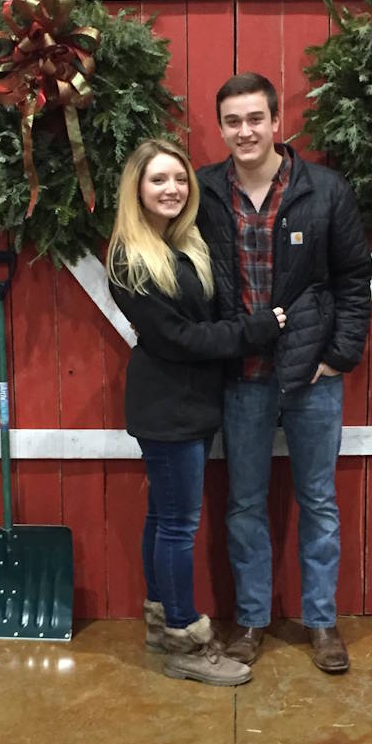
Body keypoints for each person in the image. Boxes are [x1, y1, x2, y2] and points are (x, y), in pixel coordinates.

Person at [196, 73, 372, 673]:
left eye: (254, 119)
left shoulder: (324, 190)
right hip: (241, 374)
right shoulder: (203, 194)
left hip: (312, 377)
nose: (244, 131)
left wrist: (339, 355)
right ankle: (250, 621)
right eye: (232, 121)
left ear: (277, 122)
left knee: (318, 501)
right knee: (244, 504)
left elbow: (354, 280)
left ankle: (322, 622)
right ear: (220, 128)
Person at [106, 138, 287, 686]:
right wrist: (255, 331)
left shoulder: (183, 246)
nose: (172, 189)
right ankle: (185, 637)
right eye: (159, 179)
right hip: (167, 407)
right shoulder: (129, 258)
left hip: (189, 404)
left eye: (179, 179)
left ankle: (163, 620)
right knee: (179, 525)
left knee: (165, 518)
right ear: (136, 188)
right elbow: (180, 338)